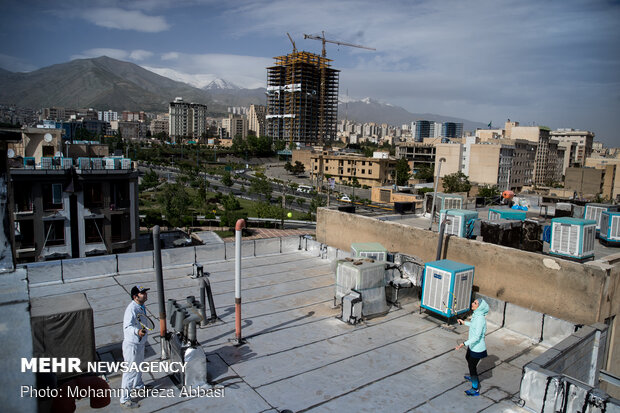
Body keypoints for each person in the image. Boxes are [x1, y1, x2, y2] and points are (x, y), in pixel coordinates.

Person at [120, 285, 151, 409]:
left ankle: (138, 386)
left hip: (140, 343)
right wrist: (137, 332)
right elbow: (127, 327)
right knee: (130, 372)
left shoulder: (141, 306)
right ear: (135, 296)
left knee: (139, 366)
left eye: (145, 292)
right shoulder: (131, 309)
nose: (145, 294)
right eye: (142, 293)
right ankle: (125, 399)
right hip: (132, 345)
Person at [455, 298, 489, 396]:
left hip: (477, 348)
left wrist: (464, 343)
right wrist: (463, 322)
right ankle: (472, 376)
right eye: (473, 302)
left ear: (480, 307)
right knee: (467, 358)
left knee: (472, 366)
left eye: (475, 303)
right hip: (472, 346)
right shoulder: (477, 315)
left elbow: (477, 336)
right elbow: (473, 325)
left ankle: (475, 388)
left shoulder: (480, 319)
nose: (472, 303)